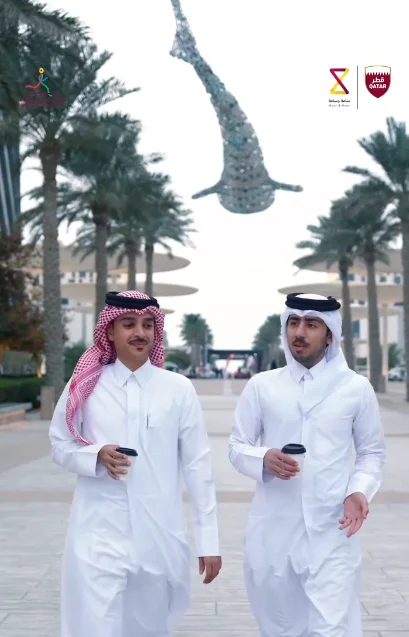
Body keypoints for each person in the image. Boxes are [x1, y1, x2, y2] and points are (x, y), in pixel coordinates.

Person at [50, 290, 221, 637]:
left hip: (158, 535)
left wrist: (209, 542)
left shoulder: (177, 389)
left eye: (147, 325)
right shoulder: (86, 385)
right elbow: (60, 444)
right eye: (128, 324)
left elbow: (198, 467)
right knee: (94, 626)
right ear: (110, 331)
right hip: (98, 532)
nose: (139, 333)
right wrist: (95, 454)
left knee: (148, 629)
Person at [228, 293, 386, 637]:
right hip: (273, 534)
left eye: (311, 324)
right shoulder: (262, 386)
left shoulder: (356, 388)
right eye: (293, 323)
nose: (299, 332)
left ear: (329, 334)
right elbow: (236, 447)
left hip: (332, 531)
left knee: (331, 628)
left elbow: (372, 453)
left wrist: (358, 491)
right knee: (281, 628)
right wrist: (263, 458)